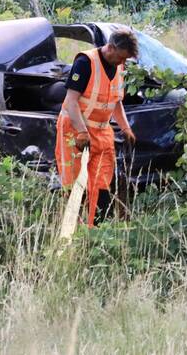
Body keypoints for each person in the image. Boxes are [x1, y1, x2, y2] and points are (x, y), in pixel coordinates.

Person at [55, 28, 139, 227]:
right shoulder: (85, 63)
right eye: (120, 58)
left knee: (101, 185)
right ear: (110, 47)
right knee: (76, 185)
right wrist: (82, 132)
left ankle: (96, 230)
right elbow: (71, 101)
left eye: (125, 60)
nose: (122, 63)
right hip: (76, 130)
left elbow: (116, 102)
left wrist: (126, 128)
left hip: (102, 132)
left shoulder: (118, 67)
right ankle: (72, 230)